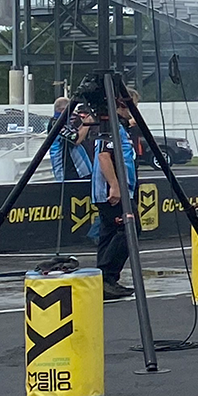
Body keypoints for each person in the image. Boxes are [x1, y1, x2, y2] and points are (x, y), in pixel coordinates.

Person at [88, 104, 138, 299]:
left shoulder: (118, 126)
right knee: (130, 229)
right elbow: (103, 156)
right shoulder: (110, 126)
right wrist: (115, 186)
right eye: (129, 107)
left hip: (118, 189)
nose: (131, 112)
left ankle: (105, 280)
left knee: (108, 234)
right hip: (111, 191)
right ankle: (107, 276)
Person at [48, 97, 91, 182]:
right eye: (71, 111)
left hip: (78, 170)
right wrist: (87, 124)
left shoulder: (65, 122)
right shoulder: (56, 124)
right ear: (64, 111)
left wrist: (84, 122)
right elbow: (75, 140)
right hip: (66, 171)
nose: (73, 114)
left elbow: (76, 133)